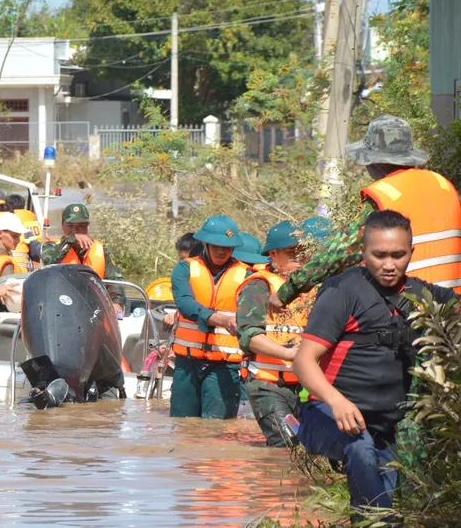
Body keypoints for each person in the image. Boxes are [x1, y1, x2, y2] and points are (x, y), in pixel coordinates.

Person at [294, 210, 459, 517]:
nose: (389, 265)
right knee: (360, 452)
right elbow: (304, 361)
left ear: (411, 252)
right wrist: (337, 402)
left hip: (389, 425)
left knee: (392, 508)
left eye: (398, 255)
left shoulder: (422, 295)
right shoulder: (342, 292)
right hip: (327, 412)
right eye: (379, 255)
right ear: (363, 252)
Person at [270, 114, 461, 313]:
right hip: (453, 306)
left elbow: (339, 253)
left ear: (374, 162)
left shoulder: (385, 195)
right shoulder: (443, 185)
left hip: (411, 308)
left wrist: (288, 291)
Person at [237, 220, 314, 447]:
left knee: (308, 448)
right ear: (273, 254)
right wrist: (289, 354)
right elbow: (249, 336)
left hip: (306, 385)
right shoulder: (258, 286)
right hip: (268, 385)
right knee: (286, 446)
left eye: (303, 251)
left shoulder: (313, 286)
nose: (300, 257)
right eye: (292, 252)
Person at [169, 215, 250, 419]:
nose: (222, 251)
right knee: (182, 424)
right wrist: (221, 320)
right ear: (205, 243)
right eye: (217, 246)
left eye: (227, 247)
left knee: (216, 427)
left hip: (225, 365)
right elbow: (186, 304)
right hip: (187, 364)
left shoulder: (246, 275)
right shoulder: (184, 268)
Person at [41, 204, 128, 317]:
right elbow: (48, 260)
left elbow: (115, 280)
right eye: (70, 226)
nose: (75, 230)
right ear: (62, 224)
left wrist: (116, 303)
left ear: (88, 226)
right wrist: (71, 239)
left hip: (93, 309)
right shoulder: (51, 246)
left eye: (80, 226)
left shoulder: (101, 249)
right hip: (60, 308)